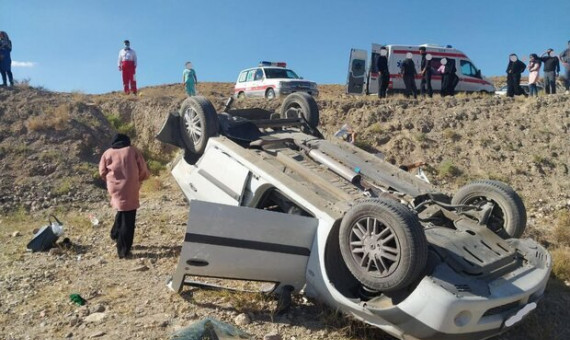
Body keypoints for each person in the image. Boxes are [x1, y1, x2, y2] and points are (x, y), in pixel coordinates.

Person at [99, 134, 150, 258]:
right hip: (130, 186)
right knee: (129, 218)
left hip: (114, 186)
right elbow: (142, 169)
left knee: (121, 208)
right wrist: (140, 178)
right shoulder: (132, 151)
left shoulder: (107, 153)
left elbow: (102, 172)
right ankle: (123, 250)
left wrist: (110, 181)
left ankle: (115, 233)